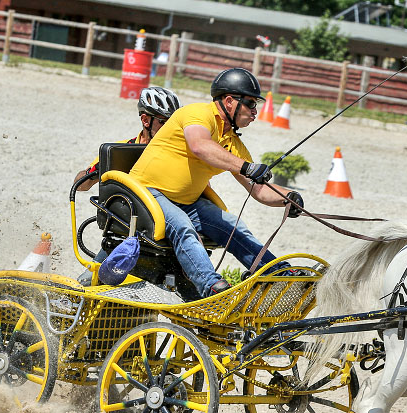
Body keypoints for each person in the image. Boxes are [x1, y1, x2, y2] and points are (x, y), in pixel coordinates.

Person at [128, 67, 305, 297]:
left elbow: (258, 189)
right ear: (229, 101)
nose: (255, 111)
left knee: (233, 226)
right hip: (146, 194)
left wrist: (288, 198)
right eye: (251, 104)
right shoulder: (197, 114)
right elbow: (200, 146)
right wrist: (246, 167)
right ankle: (210, 286)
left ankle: (274, 272)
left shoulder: (232, 141)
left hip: (186, 202)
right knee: (183, 227)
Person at [73, 86, 181, 191]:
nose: (169, 128)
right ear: (145, 120)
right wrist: (96, 171)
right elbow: (81, 186)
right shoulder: (119, 150)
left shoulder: (180, 148)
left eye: (173, 123)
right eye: (164, 122)